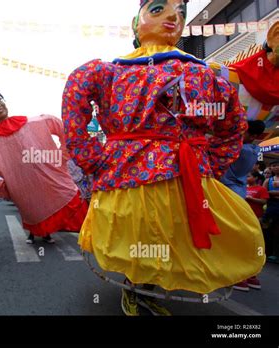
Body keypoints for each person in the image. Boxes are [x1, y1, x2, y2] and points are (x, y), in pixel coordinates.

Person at [62, 0, 265, 316]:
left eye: (181, 12)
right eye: (158, 9)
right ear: (135, 23)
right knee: (135, 236)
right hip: (126, 176)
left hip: (187, 178)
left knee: (170, 240)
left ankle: (148, 291)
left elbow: (232, 126)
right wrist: (92, 158)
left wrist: (209, 163)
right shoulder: (107, 71)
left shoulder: (206, 76)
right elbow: (73, 101)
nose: (173, 16)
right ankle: (134, 289)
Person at [0, 90, 88, 244]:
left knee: (81, 218)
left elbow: (64, 130)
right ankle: (36, 234)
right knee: (35, 213)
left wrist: (60, 159)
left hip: (54, 185)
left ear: (5, 101)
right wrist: (6, 190)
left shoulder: (36, 123)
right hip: (30, 196)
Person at [231, 171, 269, 291]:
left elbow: (264, 201)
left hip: (253, 219)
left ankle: (246, 275)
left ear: (256, 178)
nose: (247, 178)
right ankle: (247, 275)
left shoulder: (261, 189)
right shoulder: (242, 187)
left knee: (250, 245)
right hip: (241, 218)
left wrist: (250, 198)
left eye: (249, 176)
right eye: (246, 175)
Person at [220, 120, 266, 198]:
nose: (237, 135)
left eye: (242, 132)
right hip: (240, 191)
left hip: (226, 190)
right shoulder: (255, 149)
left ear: (253, 136)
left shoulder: (240, 149)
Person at [263, 160, 279, 262]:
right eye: (274, 166)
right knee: (267, 229)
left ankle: (276, 254)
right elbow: (263, 193)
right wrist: (271, 193)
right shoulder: (268, 180)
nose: (276, 167)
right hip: (271, 206)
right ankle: (267, 252)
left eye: (278, 165)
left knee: (278, 231)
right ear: (271, 168)